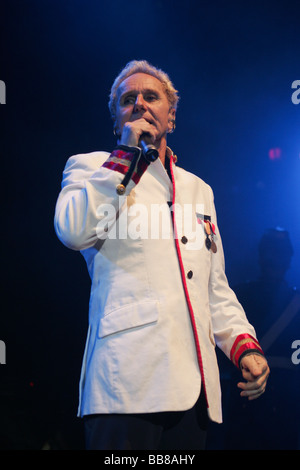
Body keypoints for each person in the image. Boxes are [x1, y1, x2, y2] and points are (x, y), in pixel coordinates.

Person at [54, 60, 270, 450]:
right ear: (117, 118)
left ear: (171, 117)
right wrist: (124, 155)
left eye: (150, 97)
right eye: (127, 99)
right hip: (126, 382)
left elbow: (213, 288)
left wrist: (243, 345)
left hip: (194, 389)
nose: (138, 103)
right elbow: (73, 231)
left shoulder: (198, 189)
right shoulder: (91, 168)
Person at [221, 228, 300, 449]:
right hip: (246, 398)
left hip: (285, 401)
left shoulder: (237, 296)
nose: (275, 258)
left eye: (280, 252)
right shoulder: (235, 298)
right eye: (271, 252)